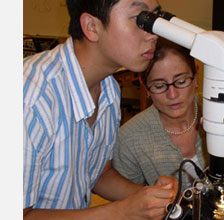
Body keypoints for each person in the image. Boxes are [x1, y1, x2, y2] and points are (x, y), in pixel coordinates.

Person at [23, 0, 178, 219]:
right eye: (140, 19)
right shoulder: (31, 98)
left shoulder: (108, 89)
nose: (153, 34)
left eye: (154, 17)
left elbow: (98, 174)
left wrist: (153, 199)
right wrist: (123, 211)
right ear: (92, 26)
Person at [113, 38, 209, 190]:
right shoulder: (128, 140)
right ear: (145, 86)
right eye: (159, 86)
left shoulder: (216, 113)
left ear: (195, 75)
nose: (172, 94)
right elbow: (127, 205)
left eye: (181, 81)